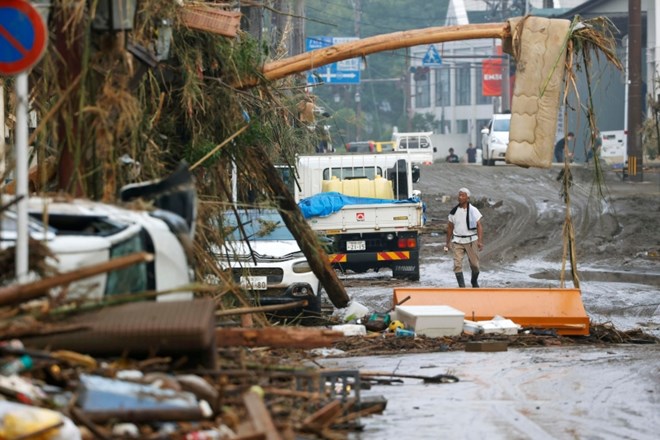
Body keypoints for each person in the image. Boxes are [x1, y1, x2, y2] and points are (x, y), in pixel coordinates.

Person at [444, 188, 483, 287]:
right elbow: (449, 227)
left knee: (475, 266)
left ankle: (474, 281)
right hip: (458, 241)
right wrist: (447, 243)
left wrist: (480, 241)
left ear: (468, 198)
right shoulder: (454, 212)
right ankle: (462, 287)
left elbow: (479, 226)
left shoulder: (473, 210)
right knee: (457, 265)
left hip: (471, 240)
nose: (460, 197)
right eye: (459, 195)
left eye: (462, 195)